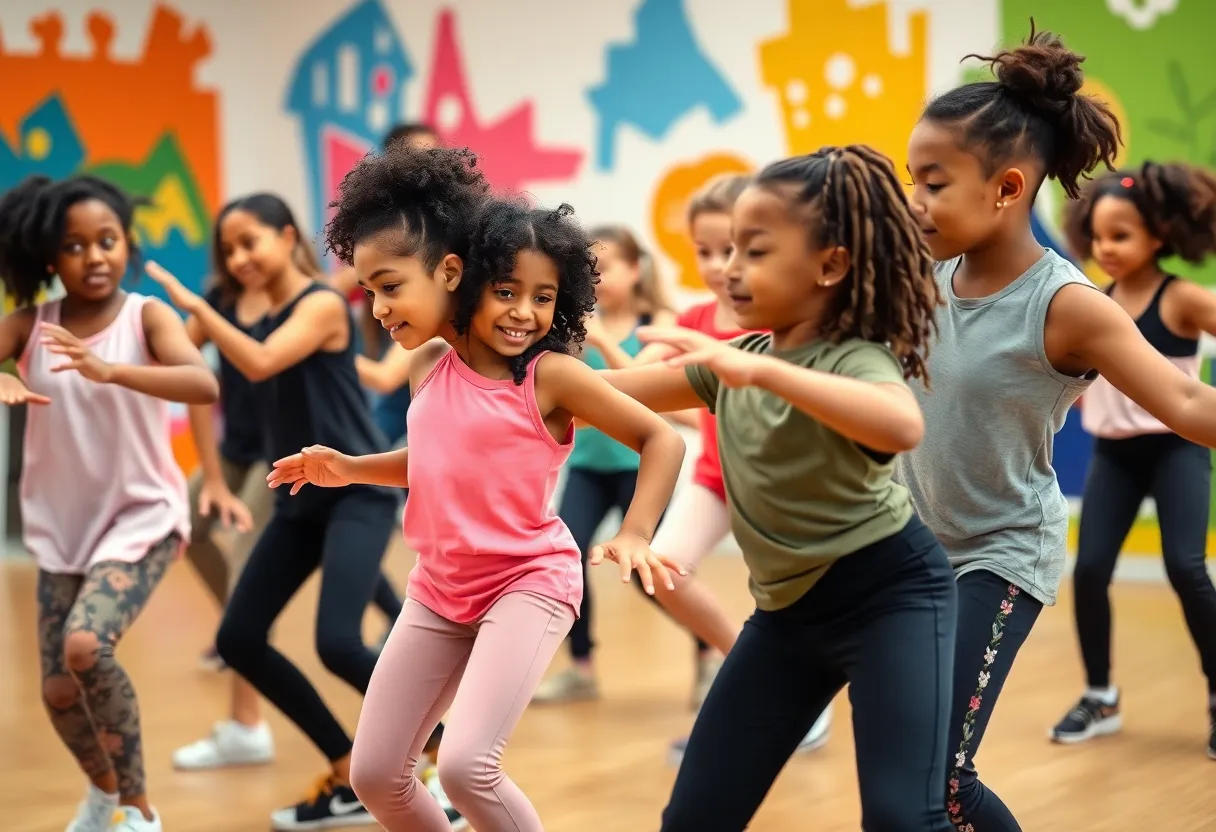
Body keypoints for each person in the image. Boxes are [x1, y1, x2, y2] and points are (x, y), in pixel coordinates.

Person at [271, 144, 686, 832]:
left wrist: (636, 532)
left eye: (390, 286)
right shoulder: (428, 364)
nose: (376, 307)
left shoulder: (547, 376)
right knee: (376, 776)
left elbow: (662, 438)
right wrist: (350, 466)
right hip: (439, 589)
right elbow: (437, 459)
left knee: (466, 768)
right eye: (368, 290)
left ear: (450, 272)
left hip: (527, 582)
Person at [901, 23, 1216, 830]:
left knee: (939, 777)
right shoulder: (923, 276)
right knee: (903, 773)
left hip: (1000, 552)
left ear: (1006, 189)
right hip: (913, 548)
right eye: (913, 179)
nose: (916, 200)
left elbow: (1184, 405)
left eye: (933, 183)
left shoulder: (1067, 305)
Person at [602, 145, 956, 831]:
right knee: (695, 819)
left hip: (893, 599)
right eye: (729, 250)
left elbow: (900, 423)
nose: (730, 272)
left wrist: (759, 374)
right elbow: (599, 396)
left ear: (831, 264)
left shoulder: (853, 359)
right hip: (787, 619)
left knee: (902, 819)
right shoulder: (736, 363)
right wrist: (510, 370)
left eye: (755, 253)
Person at [146, 193, 419, 830]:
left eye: (252, 242)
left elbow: (261, 361)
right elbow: (181, 361)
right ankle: (348, 763)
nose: (240, 257)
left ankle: (434, 748)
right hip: (297, 500)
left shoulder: (321, 306)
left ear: (288, 236)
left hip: (356, 493)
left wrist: (196, 310)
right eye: (230, 249)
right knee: (239, 637)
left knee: (338, 643)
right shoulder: (248, 309)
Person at [0, 174, 219, 832]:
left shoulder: (144, 316)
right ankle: (101, 795)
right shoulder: (30, 325)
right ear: (49, 258)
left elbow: (201, 382)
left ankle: (139, 810)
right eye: (74, 246)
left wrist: (112, 370)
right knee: (59, 690)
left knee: (87, 646)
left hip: (141, 518)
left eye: (107, 240)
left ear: (126, 244)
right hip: (62, 526)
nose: (94, 256)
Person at [1049, 161, 1216, 752]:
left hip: (1178, 450)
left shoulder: (1185, 300)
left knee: (1186, 568)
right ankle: (1100, 696)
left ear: (1160, 235)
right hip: (1115, 457)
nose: (1105, 248)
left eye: (1120, 235)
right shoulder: (1094, 303)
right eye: (1097, 236)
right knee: (1089, 570)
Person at [531, 223, 703, 704]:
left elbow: (642, 384)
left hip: (637, 467)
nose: (598, 279)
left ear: (635, 268)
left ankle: (707, 647)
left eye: (606, 268)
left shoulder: (660, 320)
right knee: (564, 558)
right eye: (590, 271)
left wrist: (602, 339)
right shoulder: (570, 323)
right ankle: (581, 668)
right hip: (587, 466)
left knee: (653, 576)